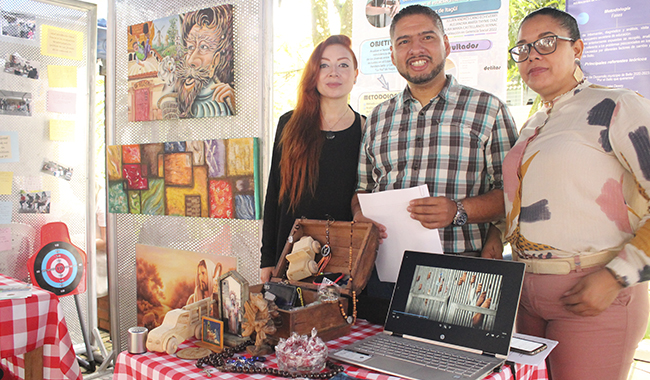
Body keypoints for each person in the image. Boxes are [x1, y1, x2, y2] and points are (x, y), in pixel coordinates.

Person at [503, 7, 650, 380]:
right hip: (526, 294)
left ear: (578, 48)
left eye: (547, 42)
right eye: (522, 48)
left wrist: (615, 277)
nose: (532, 54)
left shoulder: (617, 105)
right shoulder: (534, 124)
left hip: (594, 291)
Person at [352, 5, 518, 308]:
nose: (416, 48)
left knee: (454, 357)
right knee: (381, 353)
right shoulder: (378, 117)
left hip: (463, 276)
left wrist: (458, 210)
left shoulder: (488, 110)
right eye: (403, 41)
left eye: (427, 37)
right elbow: (362, 190)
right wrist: (360, 216)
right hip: (385, 273)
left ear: (446, 45)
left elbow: (514, 195)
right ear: (392, 55)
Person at [260, 35, 362, 283]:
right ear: (314, 74)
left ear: (356, 75)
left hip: (341, 260)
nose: (333, 73)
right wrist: (268, 260)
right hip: (291, 256)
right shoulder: (290, 124)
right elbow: (275, 193)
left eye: (343, 65)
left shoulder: (366, 129)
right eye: (324, 65)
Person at [175, 6, 235, 117]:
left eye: (204, 47)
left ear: (215, 61)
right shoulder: (178, 92)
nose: (191, 60)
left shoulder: (217, 103)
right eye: (190, 47)